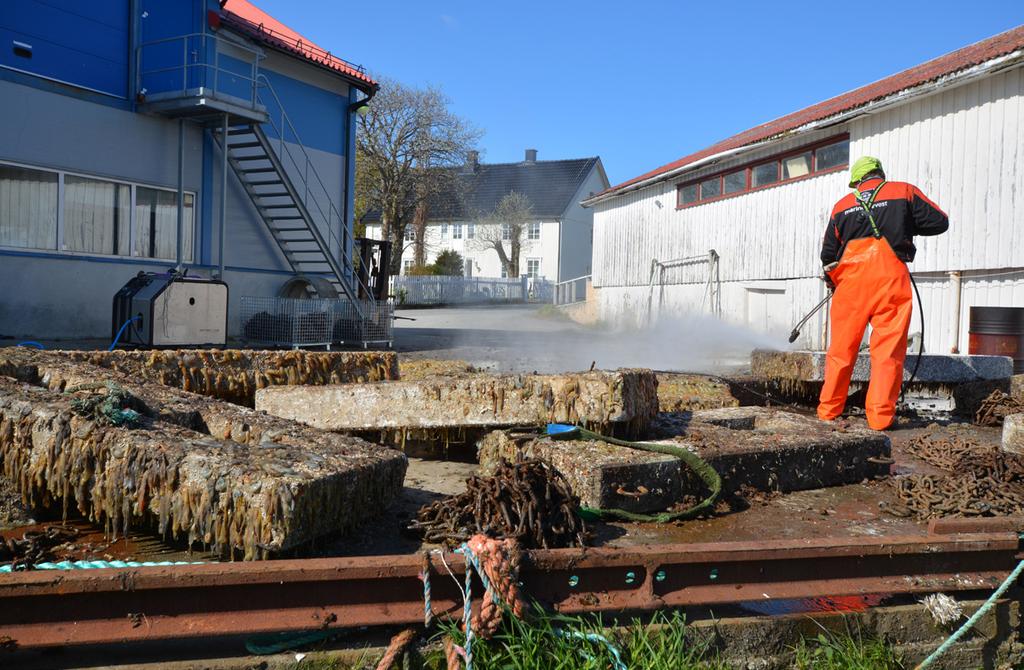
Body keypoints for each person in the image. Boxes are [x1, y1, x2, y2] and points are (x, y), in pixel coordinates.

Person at [817, 156, 948, 430]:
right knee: (887, 353)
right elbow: (939, 222)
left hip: (850, 286)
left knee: (841, 350)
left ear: (857, 180)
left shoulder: (842, 206)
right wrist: (905, 225)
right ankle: (879, 419)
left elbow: (828, 255)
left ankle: (828, 412)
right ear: (880, 174)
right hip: (890, 281)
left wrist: (834, 281)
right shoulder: (903, 191)